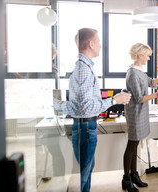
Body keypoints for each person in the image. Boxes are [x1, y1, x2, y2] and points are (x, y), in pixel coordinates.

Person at [53, 28, 131, 192]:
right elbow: (85, 108)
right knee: (86, 171)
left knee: (88, 168)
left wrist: (57, 105)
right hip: (86, 127)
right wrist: (114, 100)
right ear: (91, 43)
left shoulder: (83, 68)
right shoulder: (83, 70)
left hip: (85, 127)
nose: (101, 46)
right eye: (99, 42)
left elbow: (79, 105)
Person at [123, 43, 158, 192]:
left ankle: (134, 175)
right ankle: (126, 179)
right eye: (147, 55)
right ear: (139, 56)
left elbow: (151, 82)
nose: (149, 57)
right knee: (131, 147)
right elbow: (139, 98)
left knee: (135, 145)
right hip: (135, 113)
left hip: (141, 113)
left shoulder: (139, 71)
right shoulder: (132, 73)